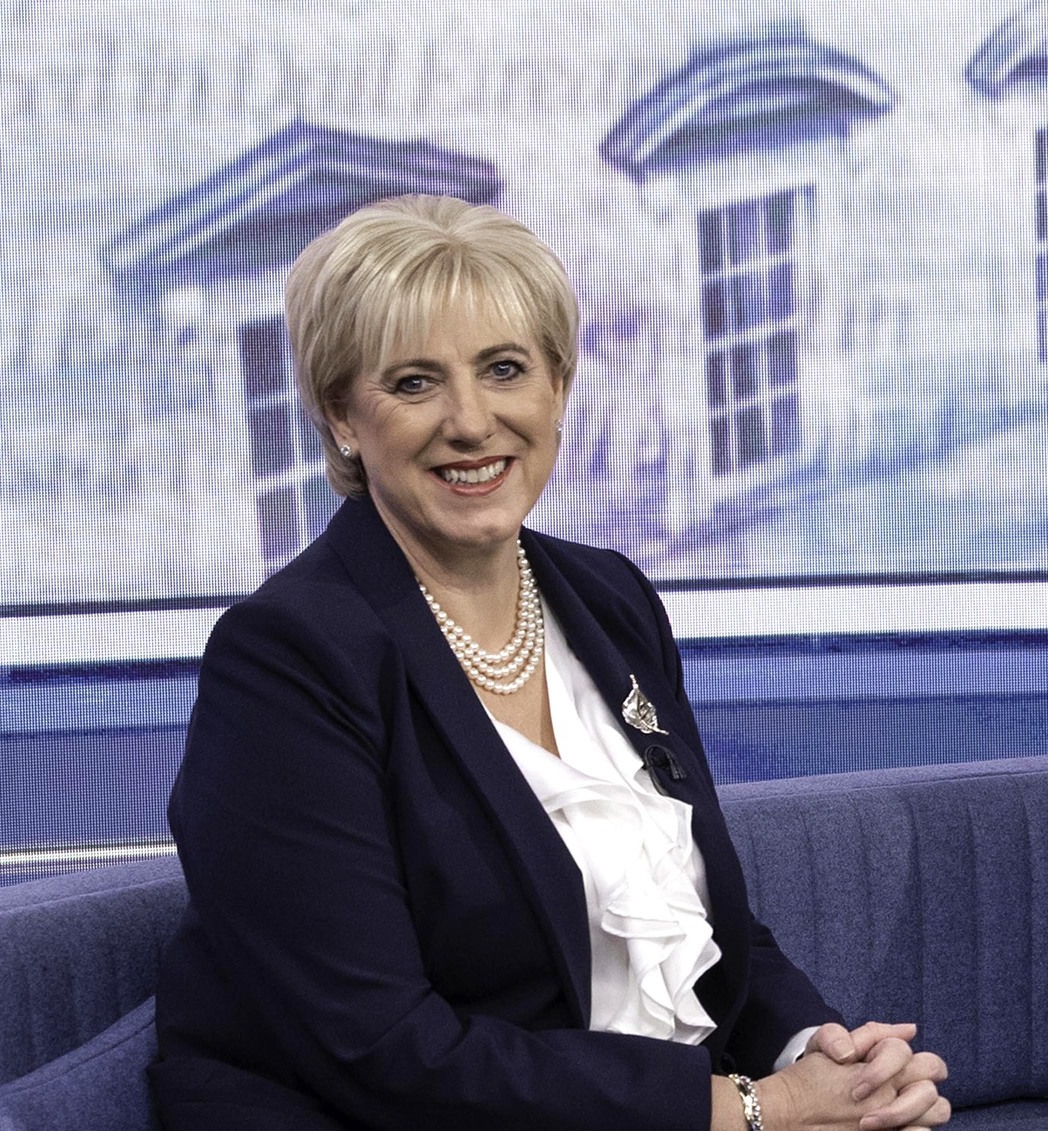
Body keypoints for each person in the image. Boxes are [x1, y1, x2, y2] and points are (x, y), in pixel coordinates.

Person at [149, 195, 950, 1131]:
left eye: (505, 369)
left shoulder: (610, 599)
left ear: (557, 388)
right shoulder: (290, 659)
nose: (470, 421)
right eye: (414, 382)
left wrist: (821, 1055)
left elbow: (695, 918)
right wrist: (751, 1109)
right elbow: (381, 1049)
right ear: (341, 417)